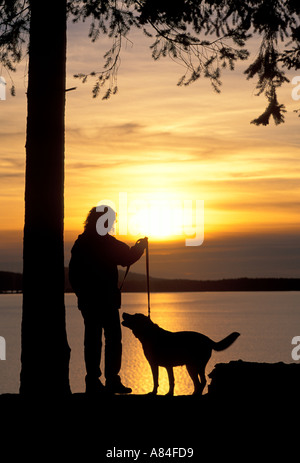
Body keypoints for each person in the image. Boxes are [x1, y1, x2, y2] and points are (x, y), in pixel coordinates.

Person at [69, 205, 147, 394]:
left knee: (95, 340)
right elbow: (127, 257)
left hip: (93, 301)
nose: (111, 225)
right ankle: (108, 380)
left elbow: (73, 274)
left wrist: (81, 294)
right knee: (110, 340)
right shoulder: (103, 243)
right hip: (102, 301)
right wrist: (140, 248)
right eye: (110, 222)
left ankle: (96, 382)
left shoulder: (83, 243)